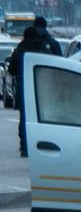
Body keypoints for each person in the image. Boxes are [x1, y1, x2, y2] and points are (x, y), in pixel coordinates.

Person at [7, 16, 62, 157]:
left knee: (25, 118)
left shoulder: (20, 49)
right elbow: (59, 65)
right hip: (45, 89)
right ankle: (44, 145)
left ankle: (24, 147)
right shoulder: (46, 46)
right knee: (45, 118)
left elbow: (12, 70)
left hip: (24, 88)